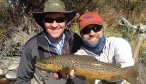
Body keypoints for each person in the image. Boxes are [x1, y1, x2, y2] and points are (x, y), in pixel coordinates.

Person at [17, 0, 82, 84]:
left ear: (65, 21)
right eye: (49, 19)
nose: (54, 25)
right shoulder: (31, 46)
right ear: (43, 22)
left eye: (59, 19)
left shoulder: (75, 39)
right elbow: (22, 80)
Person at [72, 11, 134, 84]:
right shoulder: (78, 57)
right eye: (86, 30)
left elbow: (127, 68)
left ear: (102, 29)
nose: (92, 33)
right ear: (81, 34)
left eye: (96, 28)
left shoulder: (118, 44)